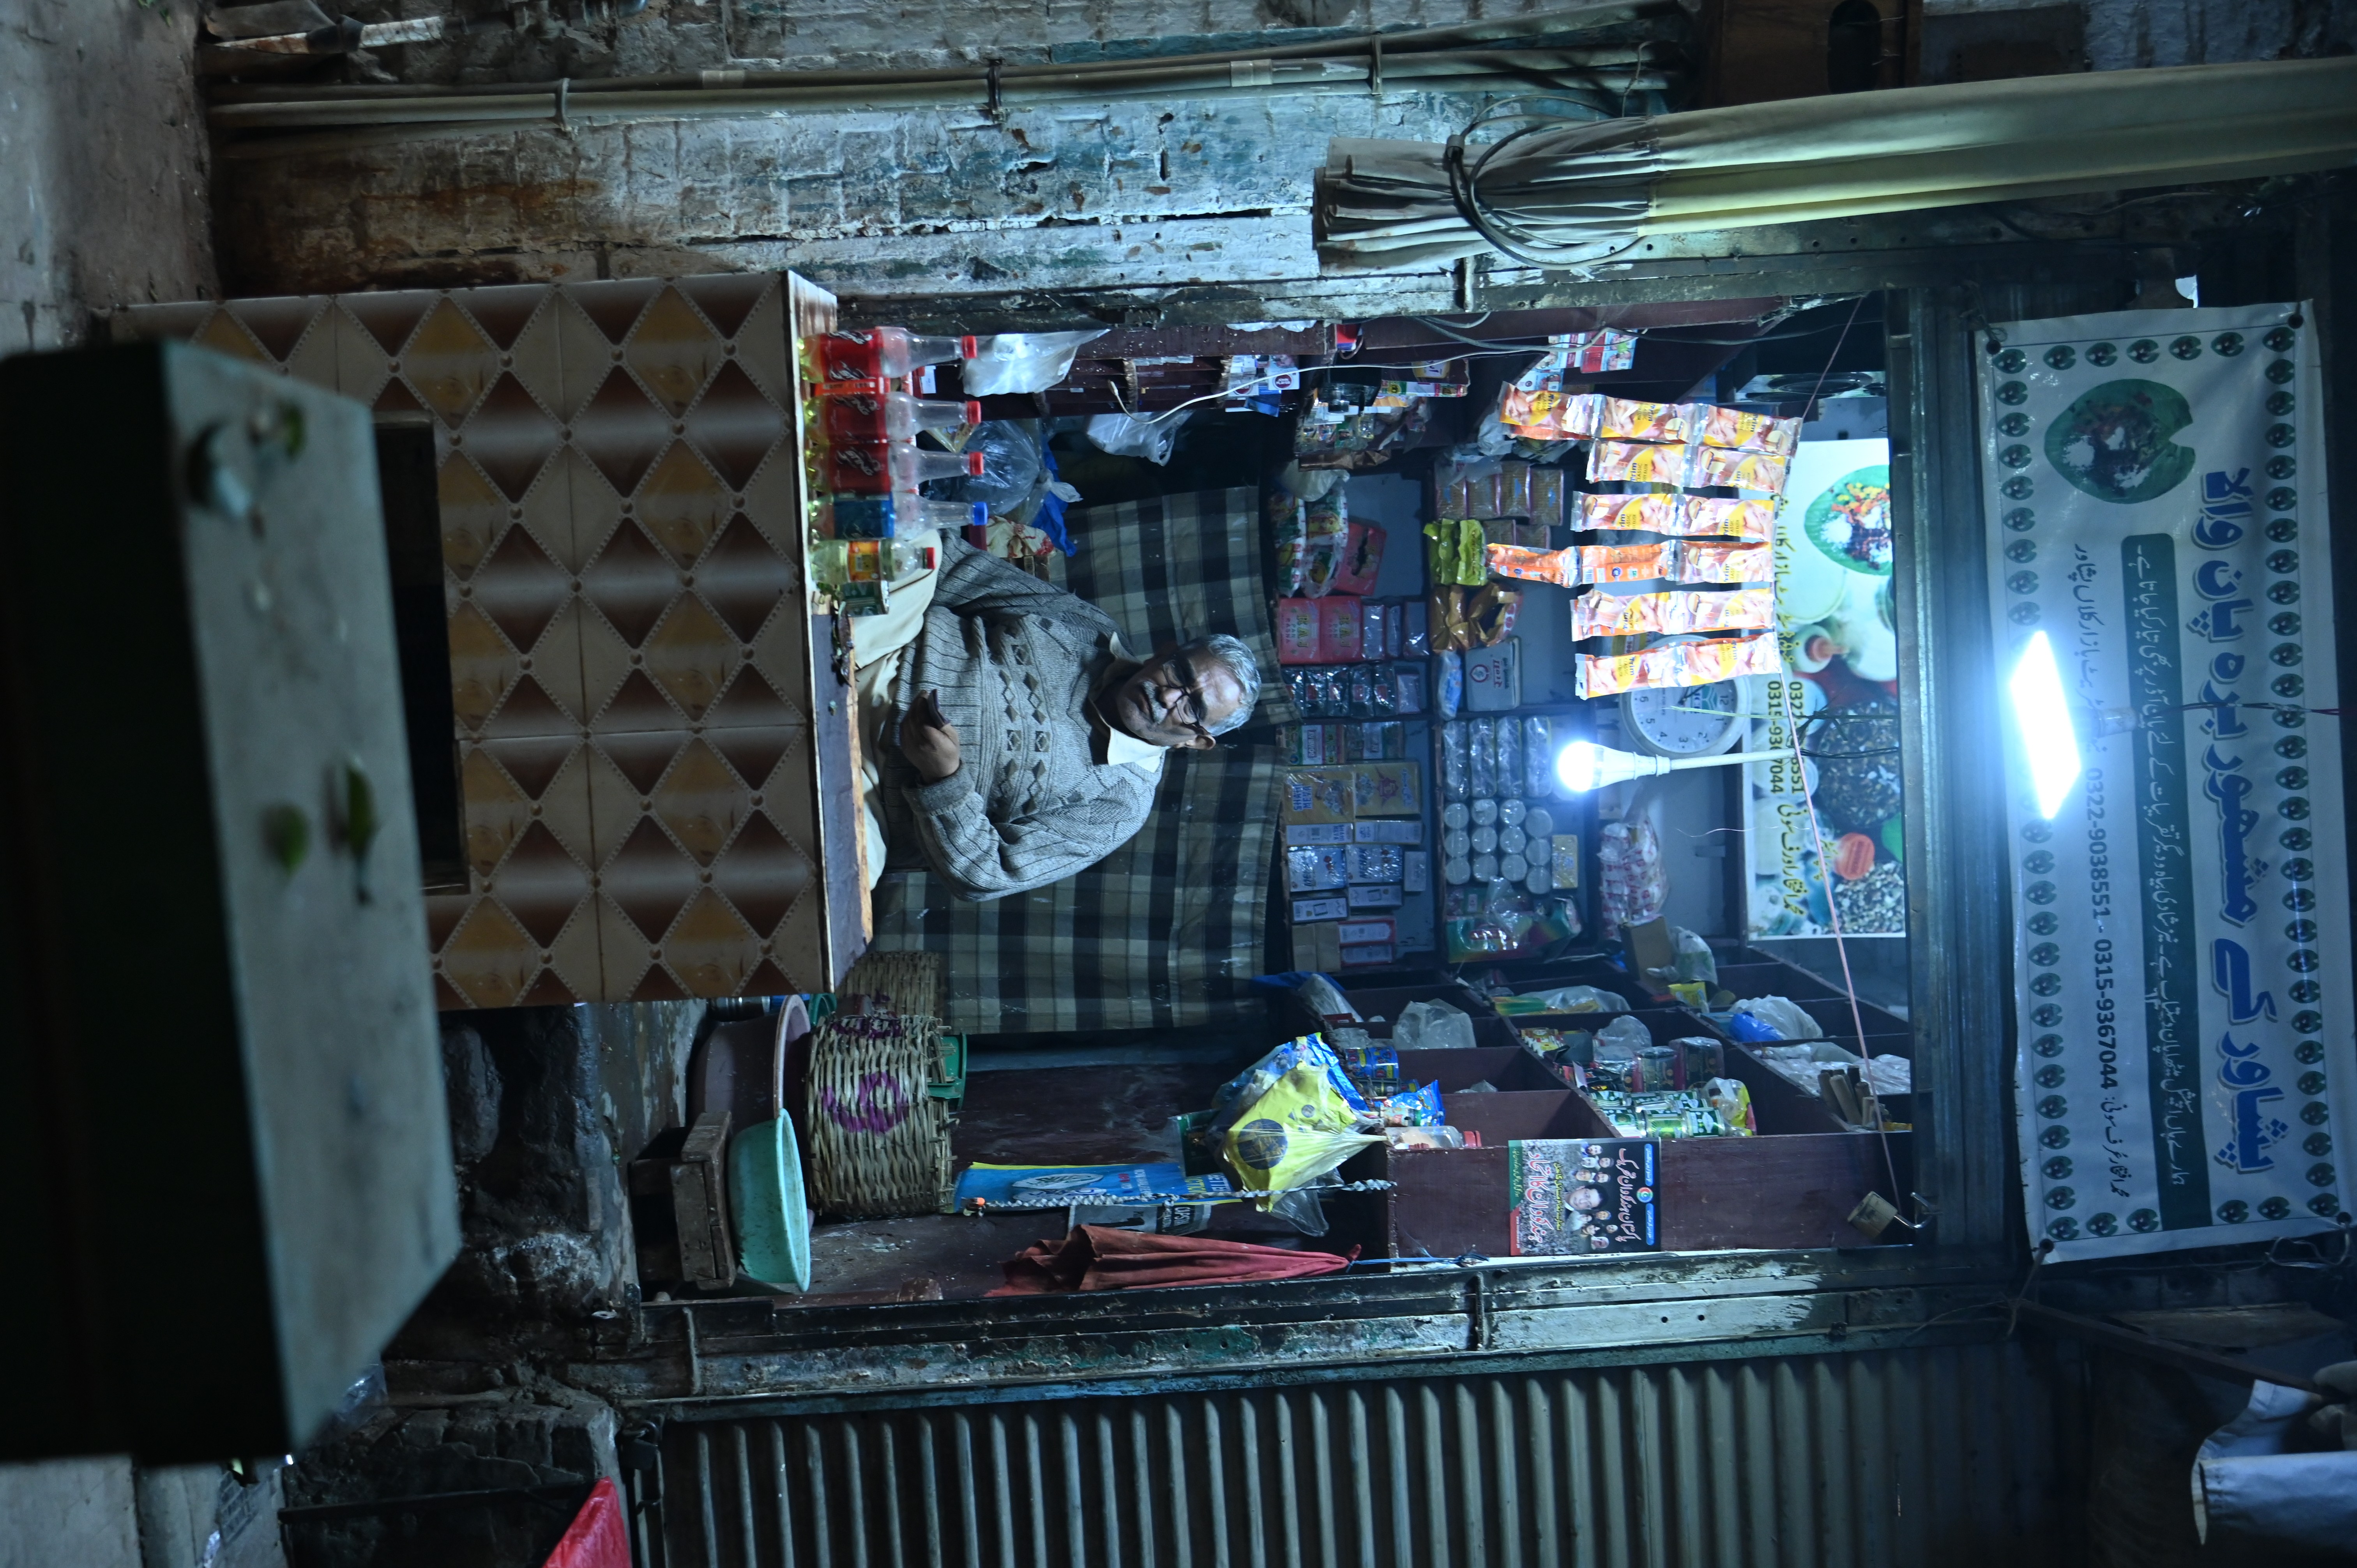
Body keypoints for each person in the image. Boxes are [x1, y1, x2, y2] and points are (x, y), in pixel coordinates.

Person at [850, 533, 1262, 901]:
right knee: (923, 545)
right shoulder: (1091, 630)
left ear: (1197, 741)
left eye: (1192, 707)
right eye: (1179, 672)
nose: (1168, 695)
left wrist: (944, 779)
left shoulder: (1120, 807)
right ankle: (831, 648)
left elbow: (986, 875)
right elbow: (960, 567)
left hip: (873, 783)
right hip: (885, 643)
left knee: (849, 880)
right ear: (1164, 652)